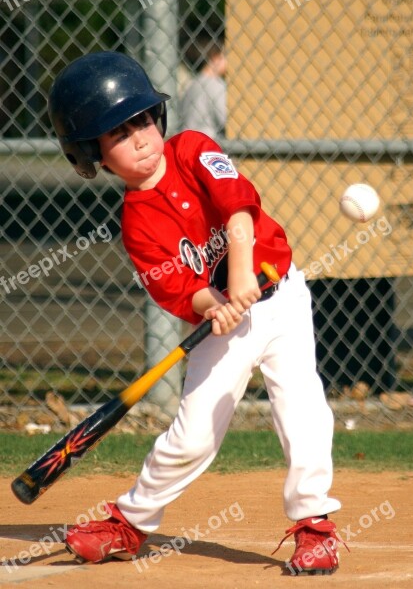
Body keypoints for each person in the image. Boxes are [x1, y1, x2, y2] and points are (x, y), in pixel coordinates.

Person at [48, 51, 344, 575]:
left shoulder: (192, 149)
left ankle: (315, 525)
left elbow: (238, 208)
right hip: (222, 325)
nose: (139, 137)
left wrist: (241, 275)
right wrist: (213, 305)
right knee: (192, 434)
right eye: (118, 134)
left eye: (141, 120)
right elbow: (178, 289)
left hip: (281, 297)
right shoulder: (137, 223)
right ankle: (130, 523)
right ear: (92, 154)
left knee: (303, 409)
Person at [180, 37, 227, 140]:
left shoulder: (193, 83)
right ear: (215, 58)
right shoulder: (215, 84)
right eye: (224, 56)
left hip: (187, 141)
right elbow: (226, 119)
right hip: (208, 144)